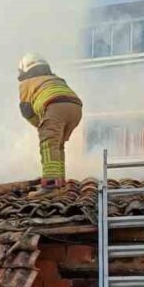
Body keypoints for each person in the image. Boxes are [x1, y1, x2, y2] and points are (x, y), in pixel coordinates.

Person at [17, 53, 83, 191]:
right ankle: (60, 180)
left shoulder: (26, 83)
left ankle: (51, 185)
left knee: (48, 143)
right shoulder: (56, 78)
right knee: (58, 144)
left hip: (54, 106)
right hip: (76, 108)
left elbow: (26, 110)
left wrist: (41, 125)